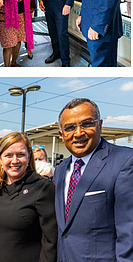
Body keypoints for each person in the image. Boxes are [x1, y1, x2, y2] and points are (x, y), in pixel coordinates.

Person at [54, 98, 133, 261]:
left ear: (100, 125)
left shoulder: (124, 161)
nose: (78, 133)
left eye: (86, 124)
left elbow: (129, 232)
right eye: (69, 128)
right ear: (61, 135)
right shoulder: (61, 170)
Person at [0, 132, 57, 262]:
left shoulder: (42, 188)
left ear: (29, 157)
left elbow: (51, 240)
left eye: (21, 155)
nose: (14, 161)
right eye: (8, 155)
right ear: (0, 158)